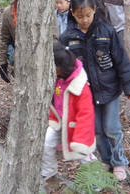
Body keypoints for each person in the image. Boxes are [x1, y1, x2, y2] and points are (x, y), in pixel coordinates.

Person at [59, 0, 130, 181]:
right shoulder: (67, 37)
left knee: (112, 128)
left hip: (109, 89)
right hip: (85, 93)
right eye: (80, 16)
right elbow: (64, 68)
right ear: (72, 13)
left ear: (95, 10)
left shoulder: (107, 31)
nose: (84, 20)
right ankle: (106, 159)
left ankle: (119, 161)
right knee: (97, 130)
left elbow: (121, 60)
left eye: (88, 15)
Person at [41, 42, 97, 179]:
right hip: (58, 121)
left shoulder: (80, 87)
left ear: (61, 67)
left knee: (82, 154)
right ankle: (49, 171)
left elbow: (86, 114)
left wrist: (81, 138)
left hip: (75, 126)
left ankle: (95, 177)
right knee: (45, 142)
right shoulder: (56, 79)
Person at [0, 0, 19, 83]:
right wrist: (2, 63)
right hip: (20, 64)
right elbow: (4, 38)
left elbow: (54, 38)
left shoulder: (45, 12)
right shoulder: (8, 13)